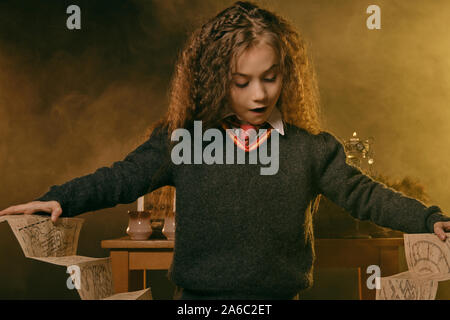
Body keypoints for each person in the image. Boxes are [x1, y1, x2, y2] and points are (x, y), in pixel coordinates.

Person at [1, 1, 450, 300]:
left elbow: (367, 196)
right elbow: (120, 178)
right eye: (242, 82)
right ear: (215, 81)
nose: (259, 94)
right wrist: (60, 198)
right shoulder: (182, 142)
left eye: (270, 77)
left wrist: (430, 219)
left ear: (285, 74)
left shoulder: (311, 150)